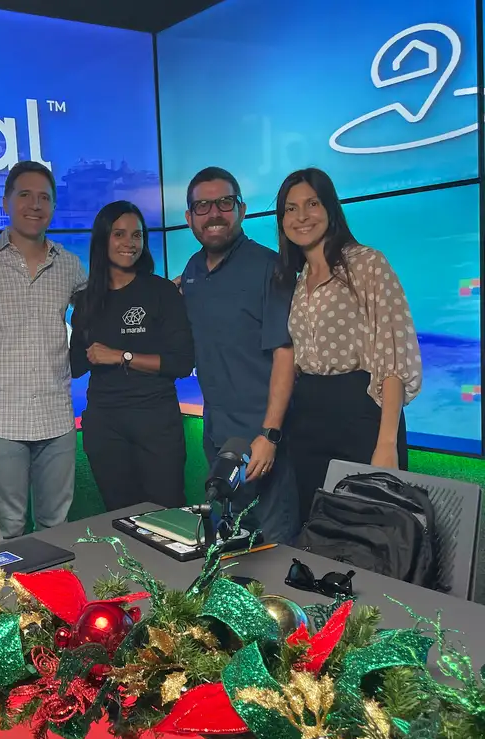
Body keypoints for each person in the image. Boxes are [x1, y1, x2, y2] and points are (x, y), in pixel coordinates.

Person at [276, 167, 422, 524]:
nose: (301, 216)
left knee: (372, 528)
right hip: (307, 420)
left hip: (361, 414)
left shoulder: (367, 264)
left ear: (330, 208)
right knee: (320, 527)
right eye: (291, 208)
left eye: (312, 204)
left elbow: (393, 356)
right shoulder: (297, 280)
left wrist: (386, 443)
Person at [0, 161, 87, 539]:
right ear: (6, 202)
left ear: (54, 205)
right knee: (7, 529)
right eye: (25, 195)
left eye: (44, 197)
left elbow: (101, 313)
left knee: (56, 526)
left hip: (56, 417)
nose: (35, 204)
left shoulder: (70, 266)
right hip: (0, 420)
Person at [176, 167, 299, 543]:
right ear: (189, 218)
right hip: (218, 438)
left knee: (274, 547)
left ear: (241, 210)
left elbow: (285, 354)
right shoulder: (193, 271)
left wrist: (269, 434)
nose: (214, 213)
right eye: (203, 206)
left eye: (224, 202)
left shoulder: (270, 267)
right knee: (229, 545)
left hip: (265, 440)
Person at [70, 201, 194, 511]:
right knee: (120, 516)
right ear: (103, 240)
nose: (130, 243)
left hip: (156, 421)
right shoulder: (86, 300)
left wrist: (120, 356)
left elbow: (181, 363)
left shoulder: (162, 292)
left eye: (136, 235)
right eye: (119, 234)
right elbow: (75, 365)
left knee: (167, 515)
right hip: (105, 426)